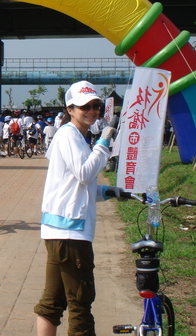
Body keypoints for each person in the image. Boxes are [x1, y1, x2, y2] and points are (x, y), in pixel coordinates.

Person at [33, 80, 123, 335]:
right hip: (71, 232)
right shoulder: (69, 134)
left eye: (96, 105)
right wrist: (104, 143)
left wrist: (108, 192)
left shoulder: (75, 137)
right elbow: (85, 174)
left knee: (52, 303)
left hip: (58, 230)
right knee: (80, 303)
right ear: (70, 108)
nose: (92, 111)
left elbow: (74, 185)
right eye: (85, 106)